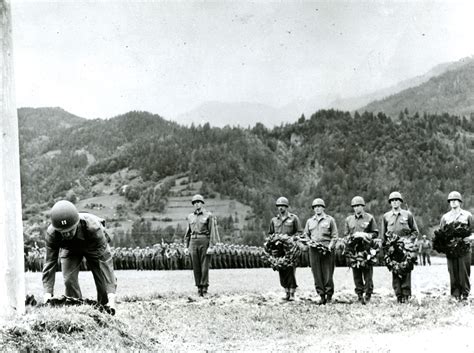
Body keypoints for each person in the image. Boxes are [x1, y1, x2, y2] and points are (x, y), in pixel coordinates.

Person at [42, 200, 117, 310]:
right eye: (63, 232)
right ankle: (75, 308)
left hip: (92, 246)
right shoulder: (52, 234)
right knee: (68, 280)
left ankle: (105, 308)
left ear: (77, 224)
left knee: (102, 280)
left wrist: (111, 297)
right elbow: (49, 263)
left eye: (70, 230)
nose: (67, 234)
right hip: (70, 249)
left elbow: (105, 261)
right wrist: (47, 295)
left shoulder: (94, 228)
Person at [381, 191, 419, 303]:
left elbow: (415, 232)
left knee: (406, 269)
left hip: (405, 248)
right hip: (392, 248)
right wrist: (386, 248)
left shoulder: (408, 215)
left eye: (397, 200)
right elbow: (383, 235)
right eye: (392, 200)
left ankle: (406, 295)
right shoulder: (386, 216)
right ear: (390, 203)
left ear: (400, 202)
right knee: (395, 270)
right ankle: (398, 295)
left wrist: (408, 242)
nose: (395, 202)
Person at [343, 196, 379, 304]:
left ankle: (368, 294)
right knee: (356, 273)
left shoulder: (369, 218)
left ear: (363, 206)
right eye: (354, 206)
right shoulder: (349, 219)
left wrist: (366, 235)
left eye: (359, 206)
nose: (357, 208)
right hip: (354, 250)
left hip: (366, 249)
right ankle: (359, 294)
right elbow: (345, 235)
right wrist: (351, 237)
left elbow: (375, 233)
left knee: (367, 274)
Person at [439, 191, 474, 301]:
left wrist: (469, 238)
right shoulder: (445, 217)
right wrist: (444, 245)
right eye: (451, 201)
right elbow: (441, 233)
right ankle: (455, 294)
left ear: (460, 202)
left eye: (455, 200)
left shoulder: (467, 215)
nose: (453, 202)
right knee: (452, 271)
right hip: (451, 249)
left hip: (464, 247)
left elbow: (473, 231)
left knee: (464, 271)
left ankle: (465, 294)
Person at [303, 198, 338, 304]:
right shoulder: (310, 221)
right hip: (314, 250)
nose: (317, 209)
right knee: (316, 273)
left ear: (323, 208)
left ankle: (328, 296)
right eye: (315, 207)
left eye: (319, 206)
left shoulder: (330, 220)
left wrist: (330, 246)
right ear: (313, 209)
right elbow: (306, 235)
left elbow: (335, 236)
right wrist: (309, 243)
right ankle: (321, 295)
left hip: (327, 249)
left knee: (328, 273)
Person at [184, 194, 220, 296]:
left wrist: (211, 246)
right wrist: (186, 247)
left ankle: (204, 287)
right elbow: (187, 233)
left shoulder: (208, 215)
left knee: (204, 266)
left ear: (202, 203)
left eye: (198, 202)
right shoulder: (190, 217)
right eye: (194, 203)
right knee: (196, 266)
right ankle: (198, 287)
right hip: (193, 242)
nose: (196, 204)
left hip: (204, 240)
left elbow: (212, 231)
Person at [268, 196, 302, 301]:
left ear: (286, 207)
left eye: (282, 206)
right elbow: (270, 234)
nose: (280, 208)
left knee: (290, 269)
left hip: (290, 249)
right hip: (278, 249)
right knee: (281, 269)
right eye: (279, 206)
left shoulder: (293, 218)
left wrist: (292, 239)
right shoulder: (274, 220)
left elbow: (299, 232)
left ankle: (292, 292)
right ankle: (286, 291)